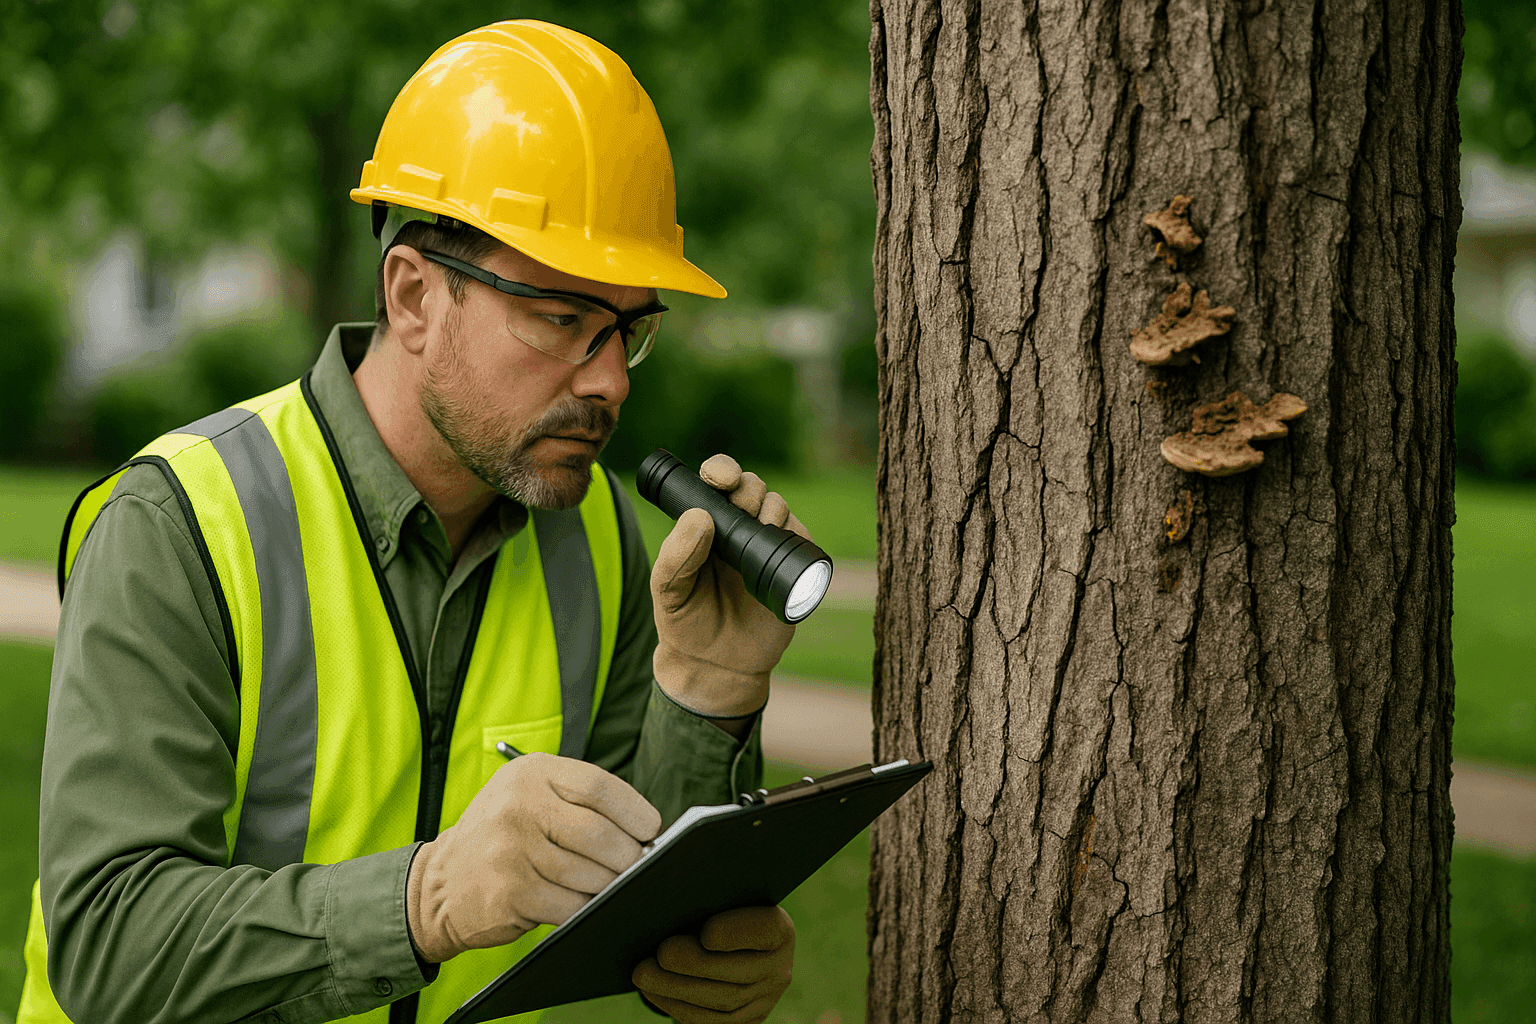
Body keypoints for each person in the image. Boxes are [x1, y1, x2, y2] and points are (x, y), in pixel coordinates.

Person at [20, 20, 805, 1024]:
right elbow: (109, 942)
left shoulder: (602, 536)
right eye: (564, 319)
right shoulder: (180, 524)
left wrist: (708, 695)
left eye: (629, 329)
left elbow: (626, 881)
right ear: (413, 296)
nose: (608, 377)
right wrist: (425, 899)